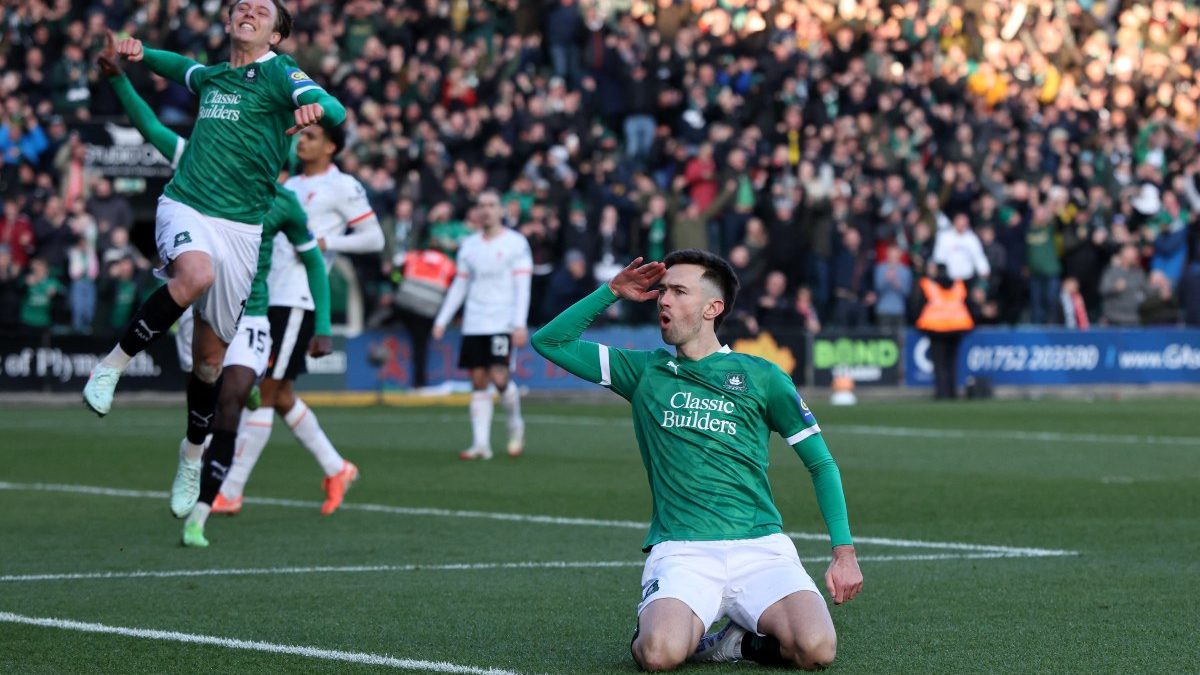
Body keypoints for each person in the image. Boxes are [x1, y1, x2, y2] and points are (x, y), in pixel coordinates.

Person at [531, 250, 862, 671]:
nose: (663, 300)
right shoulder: (643, 371)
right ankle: (678, 628)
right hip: (682, 551)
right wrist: (611, 291)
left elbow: (821, 464)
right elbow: (549, 341)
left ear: (713, 307)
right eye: (662, 291)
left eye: (678, 291)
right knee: (658, 655)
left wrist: (844, 552)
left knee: (817, 649)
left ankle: (735, 644)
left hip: (760, 548)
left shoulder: (763, 376)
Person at [82, 1, 345, 507]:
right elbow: (181, 68)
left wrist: (319, 107)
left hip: (241, 231)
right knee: (195, 275)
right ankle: (110, 367)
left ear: (276, 33)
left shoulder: (282, 75)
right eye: (240, 5)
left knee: (209, 363)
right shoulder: (216, 77)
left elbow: (335, 112)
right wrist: (137, 56)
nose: (248, 8)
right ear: (228, 24)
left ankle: (191, 455)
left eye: (261, 8)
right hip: (187, 206)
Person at [209, 118, 382, 517]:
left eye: (312, 137)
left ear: (331, 148)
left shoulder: (344, 186)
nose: (302, 142)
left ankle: (230, 489)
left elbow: (375, 238)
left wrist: (327, 242)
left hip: (298, 299)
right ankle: (337, 468)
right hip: (270, 296)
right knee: (280, 394)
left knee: (265, 392)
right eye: (302, 135)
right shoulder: (289, 188)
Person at [432, 190, 532, 460]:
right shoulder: (469, 245)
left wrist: (519, 324)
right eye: (481, 206)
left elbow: (523, 286)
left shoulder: (516, 243)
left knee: (499, 378)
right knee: (478, 381)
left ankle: (515, 425)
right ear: (476, 212)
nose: (486, 210)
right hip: (475, 322)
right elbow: (460, 284)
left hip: (502, 321)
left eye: (491, 205)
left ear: (501, 210)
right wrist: (442, 319)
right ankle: (481, 445)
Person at [915, 263, 975, 400]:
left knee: (939, 363)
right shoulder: (958, 284)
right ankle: (952, 392)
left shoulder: (928, 284)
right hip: (957, 329)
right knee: (951, 362)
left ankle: (941, 393)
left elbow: (917, 305)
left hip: (935, 329)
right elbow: (969, 305)